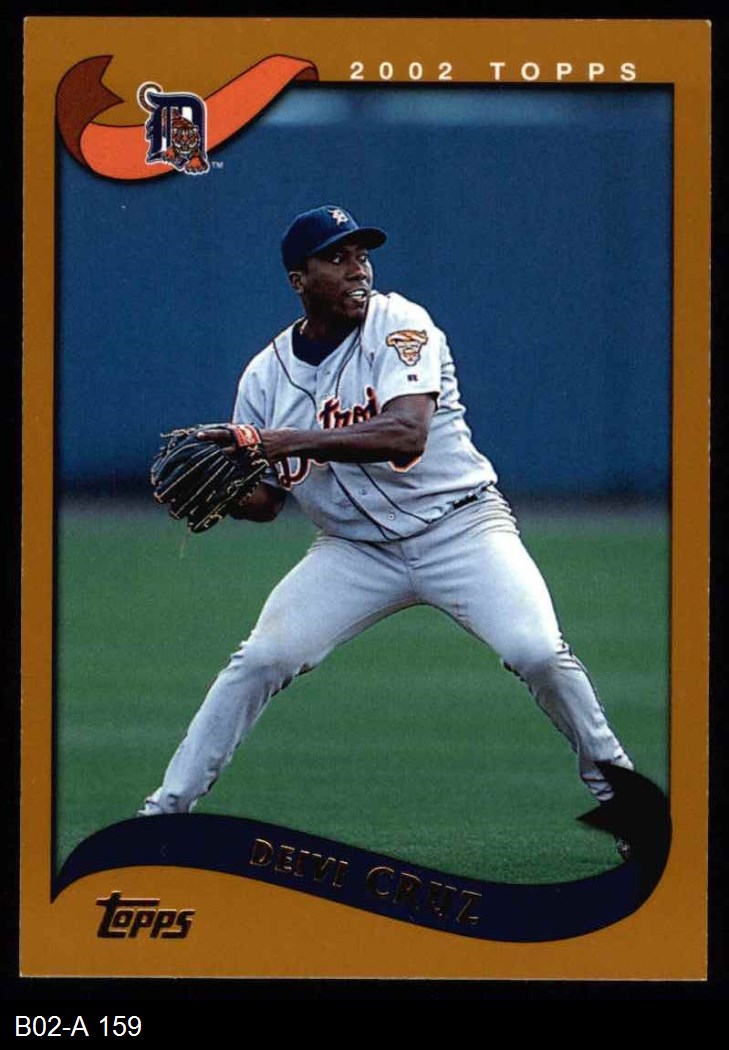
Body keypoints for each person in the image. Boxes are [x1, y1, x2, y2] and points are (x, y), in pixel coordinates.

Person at [139, 204, 633, 828]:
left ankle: (627, 803)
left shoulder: (401, 324)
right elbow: (267, 502)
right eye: (337, 258)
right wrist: (226, 494)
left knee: (536, 651)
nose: (358, 270)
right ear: (299, 279)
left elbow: (405, 433)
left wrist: (278, 442)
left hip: (462, 528)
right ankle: (163, 816)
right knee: (262, 659)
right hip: (352, 551)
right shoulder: (265, 377)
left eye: (362, 255)